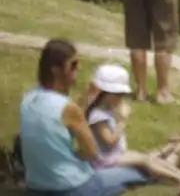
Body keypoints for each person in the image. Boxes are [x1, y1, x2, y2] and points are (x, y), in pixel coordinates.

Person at [19, 39, 148, 196]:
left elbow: (58, 119)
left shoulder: (28, 98)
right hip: (71, 187)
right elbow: (92, 153)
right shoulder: (69, 109)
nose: (78, 68)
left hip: (36, 185)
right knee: (138, 171)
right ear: (55, 70)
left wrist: (86, 100)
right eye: (73, 65)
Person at [86, 64, 180, 183]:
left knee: (147, 158)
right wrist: (122, 121)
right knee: (145, 160)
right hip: (105, 159)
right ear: (104, 93)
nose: (121, 98)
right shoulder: (98, 116)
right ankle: (178, 177)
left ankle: (177, 172)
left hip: (114, 154)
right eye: (118, 94)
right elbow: (110, 141)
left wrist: (118, 113)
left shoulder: (106, 109)